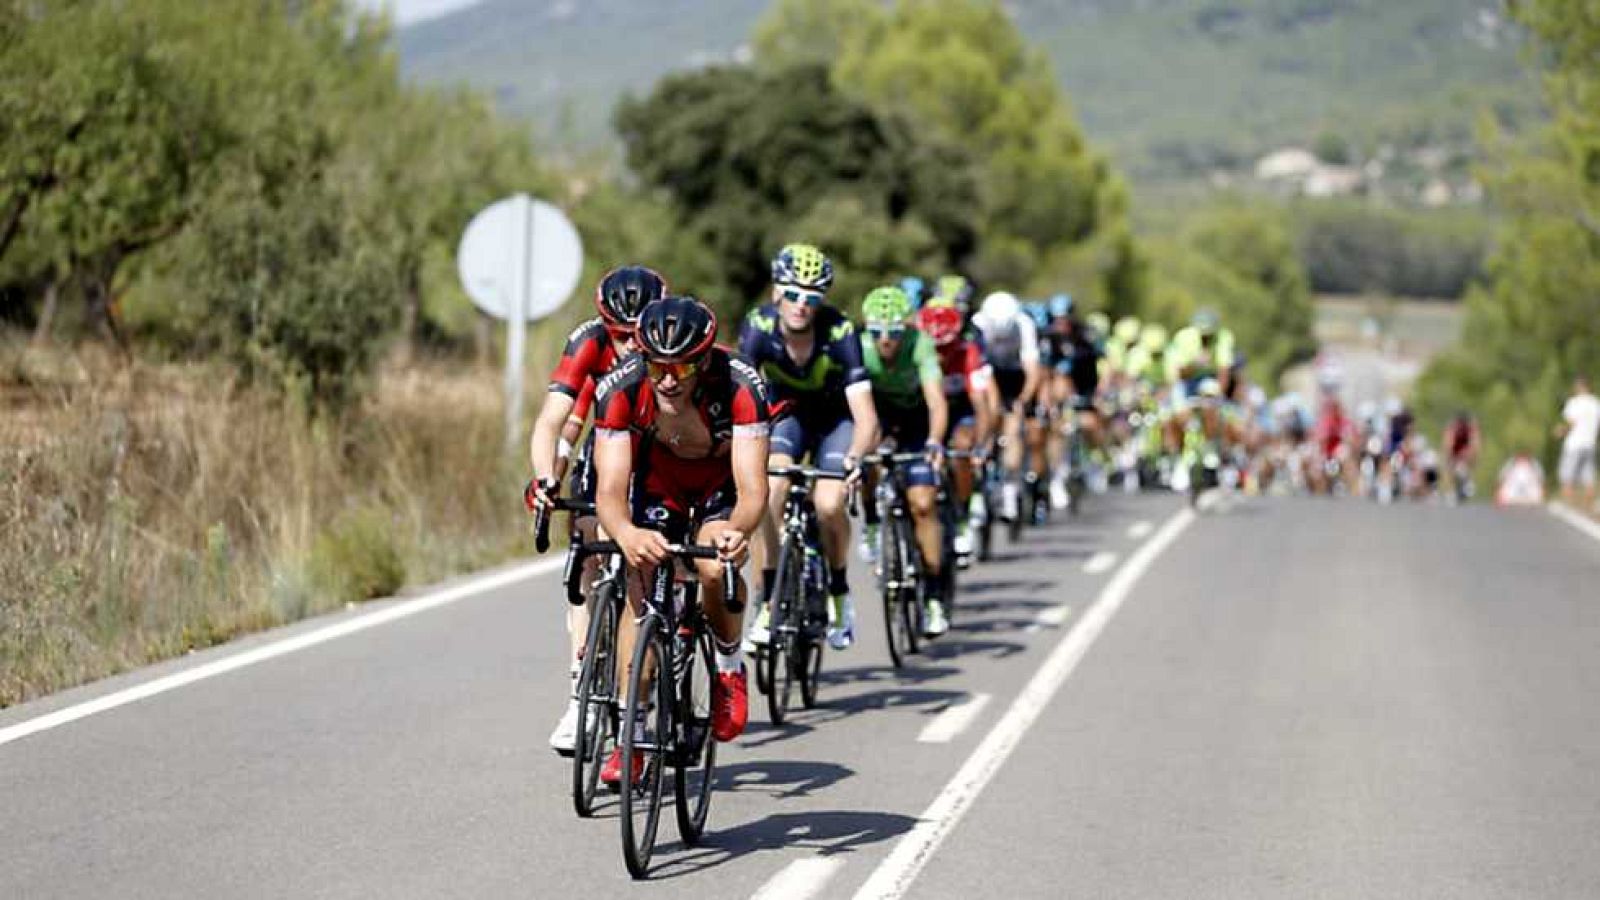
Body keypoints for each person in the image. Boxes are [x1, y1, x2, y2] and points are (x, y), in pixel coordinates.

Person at [591, 296, 771, 782]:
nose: (668, 378)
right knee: (641, 582)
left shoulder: (741, 384)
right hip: (658, 482)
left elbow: (754, 489)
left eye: (683, 366)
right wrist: (626, 533)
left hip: (720, 481)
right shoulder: (623, 386)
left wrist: (739, 532)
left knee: (714, 566)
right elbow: (608, 490)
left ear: (706, 357)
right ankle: (632, 730)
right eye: (657, 366)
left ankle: (730, 666)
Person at [524, 265, 667, 755]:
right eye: (619, 334)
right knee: (585, 544)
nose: (630, 344)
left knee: (644, 567)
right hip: (606, 449)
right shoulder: (588, 341)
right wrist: (545, 479)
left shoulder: (668, 348)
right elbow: (551, 425)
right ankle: (579, 694)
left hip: (659, 456)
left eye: (636, 333)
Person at [740, 244, 878, 651]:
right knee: (768, 491)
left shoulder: (839, 331)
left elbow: (866, 416)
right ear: (776, 292)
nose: (802, 305)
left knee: (830, 503)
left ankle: (839, 592)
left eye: (813, 297)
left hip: (836, 421)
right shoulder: (758, 326)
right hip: (786, 417)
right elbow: (741, 395)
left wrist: (856, 457)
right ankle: (768, 596)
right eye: (794, 293)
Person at [857, 286, 951, 636]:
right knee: (865, 461)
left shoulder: (920, 344)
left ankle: (934, 596)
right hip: (876, 416)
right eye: (877, 332)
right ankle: (870, 524)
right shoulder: (859, 346)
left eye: (894, 332)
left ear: (906, 329)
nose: (885, 340)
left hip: (915, 421)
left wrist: (934, 441)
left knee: (923, 503)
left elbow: (937, 402)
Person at [917, 300, 995, 562]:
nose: (939, 353)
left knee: (962, 448)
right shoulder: (916, 351)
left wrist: (981, 445)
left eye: (946, 346)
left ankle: (962, 513)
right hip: (926, 412)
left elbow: (982, 404)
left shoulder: (968, 352)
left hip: (962, 411)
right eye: (934, 346)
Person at [970, 291, 1044, 522]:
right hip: (987, 372)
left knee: (1013, 428)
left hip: (1015, 375)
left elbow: (1033, 371)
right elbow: (978, 370)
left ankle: (1011, 487)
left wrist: (1022, 400)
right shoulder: (978, 325)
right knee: (986, 418)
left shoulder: (1024, 325)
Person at [1557, 375, 1600, 510]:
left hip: (1574, 444)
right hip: (1590, 443)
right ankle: (1589, 507)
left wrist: (1561, 431)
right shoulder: (1596, 403)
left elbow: (1571, 422)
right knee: (1588, 477)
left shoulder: (1574, 402)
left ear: (1578, 386)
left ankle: (1568, 506)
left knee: (1567, 475)